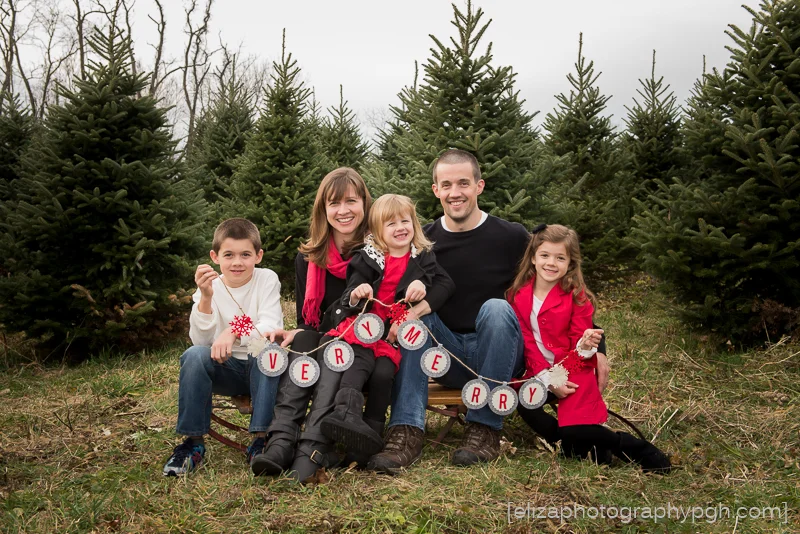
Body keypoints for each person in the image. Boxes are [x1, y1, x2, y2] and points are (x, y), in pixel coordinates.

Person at [509, 224, 671, 473]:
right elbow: (528, 343)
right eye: (545, 255)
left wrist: (584, 346)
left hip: (574, 368)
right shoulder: (519, 295)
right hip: (539, 370)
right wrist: (547, 377)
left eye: (560, 258)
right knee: (524, 401)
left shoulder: (576, 296)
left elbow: (581, 345)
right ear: (533, 257)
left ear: (570, 262)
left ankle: (632, 447)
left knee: (575, 427)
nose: (551, 263)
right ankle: (575, 444)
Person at [250, 167, 374, 482]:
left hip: (363, 345)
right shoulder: (308, 257)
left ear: (364, 203)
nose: (343, 211)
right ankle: (282, 440)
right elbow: (308, 321)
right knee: (305, 340)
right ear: (323, 209)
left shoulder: (377, 253)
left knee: (333, 348)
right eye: (334, 203)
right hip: (323, 339)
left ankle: (312, 448)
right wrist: (301, 332)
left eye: (351, 201)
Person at [319, 194, 455, 457]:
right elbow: (350, 292)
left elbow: (444, 284)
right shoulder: (368, 257)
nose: (400, 227)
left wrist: (421, 286)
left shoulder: (423, 257)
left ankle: (370, 434)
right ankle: (345, 411)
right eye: (391, 224)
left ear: (414, 224)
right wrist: (359, 292)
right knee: (359, 364)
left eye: (405, 221)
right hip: (364, 328)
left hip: (389, 337)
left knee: (383, 374)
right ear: (377, 231)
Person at [163, 218, 283, 476]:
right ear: (215, 257)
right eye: (229, 255)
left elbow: (270, 329)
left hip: (259, 369)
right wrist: (205, 298)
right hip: (224, 369)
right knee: (193, 355)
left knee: (271, 353)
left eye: (245, 254)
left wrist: (233, 331)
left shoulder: (266, 280)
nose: (237, 262)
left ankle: (261, 439)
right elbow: (201, 342)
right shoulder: (210, 287)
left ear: (258, 256)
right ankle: (193, 444)